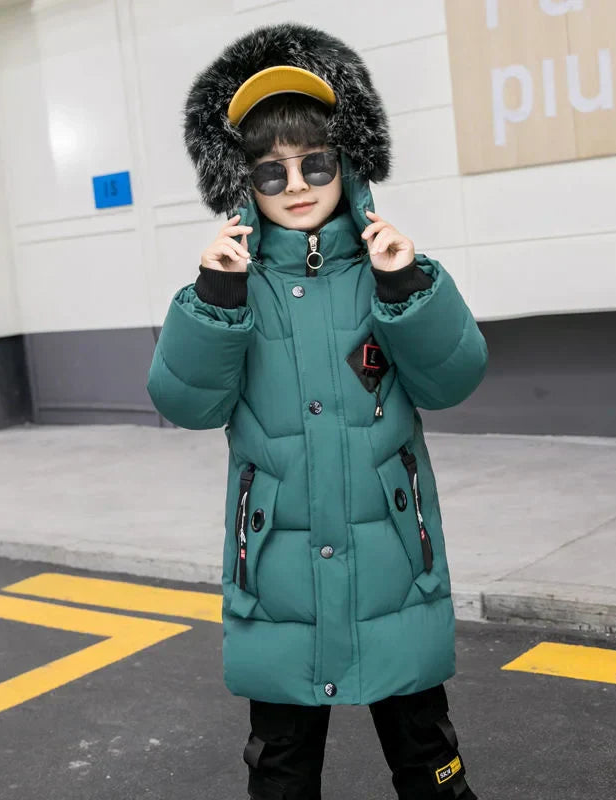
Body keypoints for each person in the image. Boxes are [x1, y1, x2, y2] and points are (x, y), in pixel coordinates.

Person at [146, 22, 488, 800]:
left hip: (393, 566)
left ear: (349, 163)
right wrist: (216, 299)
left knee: (429, 760)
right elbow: (186, 403)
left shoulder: (391, 270)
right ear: (242, 182)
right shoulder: (227, 288)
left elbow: (453, 378)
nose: (296, 184)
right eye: (271, 171)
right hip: (279, 579)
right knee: (282, 771)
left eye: (316, 162)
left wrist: (406, 288)